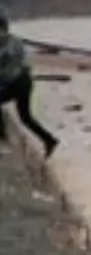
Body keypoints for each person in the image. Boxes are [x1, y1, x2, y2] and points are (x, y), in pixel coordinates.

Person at [0, 16, 58, 159]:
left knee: (24, 115)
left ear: (4, 30)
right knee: (26, 118)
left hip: (20, 83)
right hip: (15, 82)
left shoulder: (14, 45)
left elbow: (12, 70)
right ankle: (50, 140)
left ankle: (3, 140)